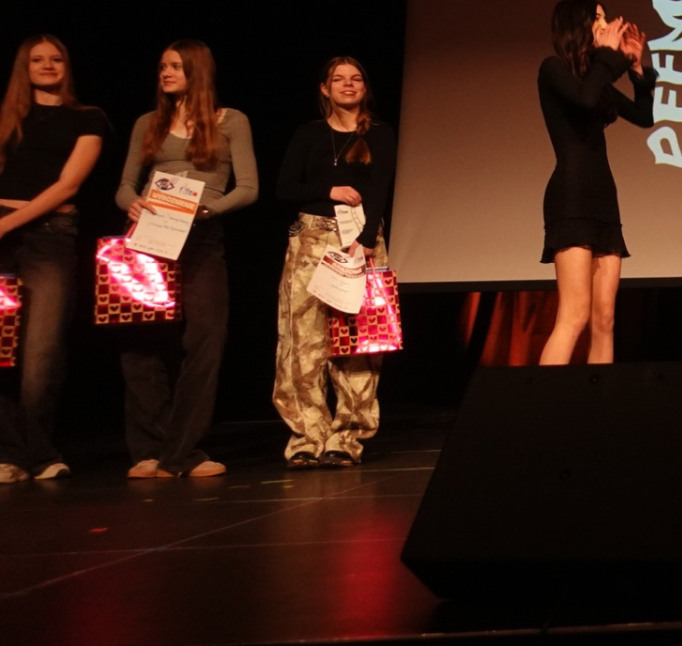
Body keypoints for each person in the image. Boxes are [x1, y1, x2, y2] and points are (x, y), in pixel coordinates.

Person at [116, 40, 258, 478]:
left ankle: (182, 451)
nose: (165, 72)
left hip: (200, 235)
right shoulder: (148, 123)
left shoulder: (230, 120)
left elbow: (248, 188)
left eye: (175, 66)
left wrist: (206, 211)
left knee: (205, 340)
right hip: (150, 234)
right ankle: (149, 448)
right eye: (162, 66)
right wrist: (132, 203)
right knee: (143, 341)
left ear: (197, 71)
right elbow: (124, 185)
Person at [271, 56, 397, 469]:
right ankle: (307, 436)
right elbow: (285, 187)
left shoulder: (379, 134)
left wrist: (366, 240)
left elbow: (381, 189)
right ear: (324, 88)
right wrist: (330, 189)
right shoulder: (309, 133)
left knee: (357, 342)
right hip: (310, 240)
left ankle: (347, 436)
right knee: (301, 342)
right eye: (339, 79)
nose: (348, 84)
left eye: (356, 78)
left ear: (365, 87)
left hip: (358, 241)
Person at [0, 36, 108, 483]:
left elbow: (68, 184)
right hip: (2, 233)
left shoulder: (88, 118)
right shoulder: (7, 116)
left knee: (41, 352)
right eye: (37, 60)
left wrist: (8, 222)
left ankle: (40, 452)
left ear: (66, 65)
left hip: (49, 235)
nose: (47, 65)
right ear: (24, 67)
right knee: (1, 349)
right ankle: (9, 453)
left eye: (55, 59)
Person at [537, 0, 655, 366]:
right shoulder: (554, 69)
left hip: (603, 197)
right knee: (574, 315)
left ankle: (597, 398)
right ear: (579, 24)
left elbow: (643, 116)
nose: (606, 25)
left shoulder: (596, 77)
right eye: (599, 18)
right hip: (571, 196)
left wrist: (636, 68)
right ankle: (544, 399)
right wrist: (608, 57)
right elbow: (586, 100)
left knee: (605, 320)